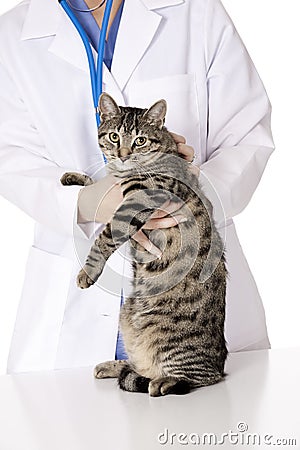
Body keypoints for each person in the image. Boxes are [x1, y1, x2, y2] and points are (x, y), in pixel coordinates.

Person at [0, 0, 275, 374]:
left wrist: (188, 198)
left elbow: (247, 138)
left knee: (200, 425)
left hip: (189, 309)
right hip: (67, 332)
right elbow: (10, 157)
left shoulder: (198, 11)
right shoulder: (12, 34)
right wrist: (85, 202)